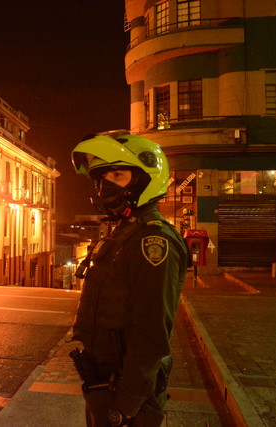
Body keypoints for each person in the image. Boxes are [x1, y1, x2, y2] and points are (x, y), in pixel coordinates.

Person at [70, 131, 189, 426]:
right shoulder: (124, 233)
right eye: (101, 178)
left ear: (145, 179)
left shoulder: (152, 240)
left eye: (118, 175)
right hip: (105, 384)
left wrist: (126, 404)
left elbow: (151, 333)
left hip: (129, 394)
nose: (105, 187)